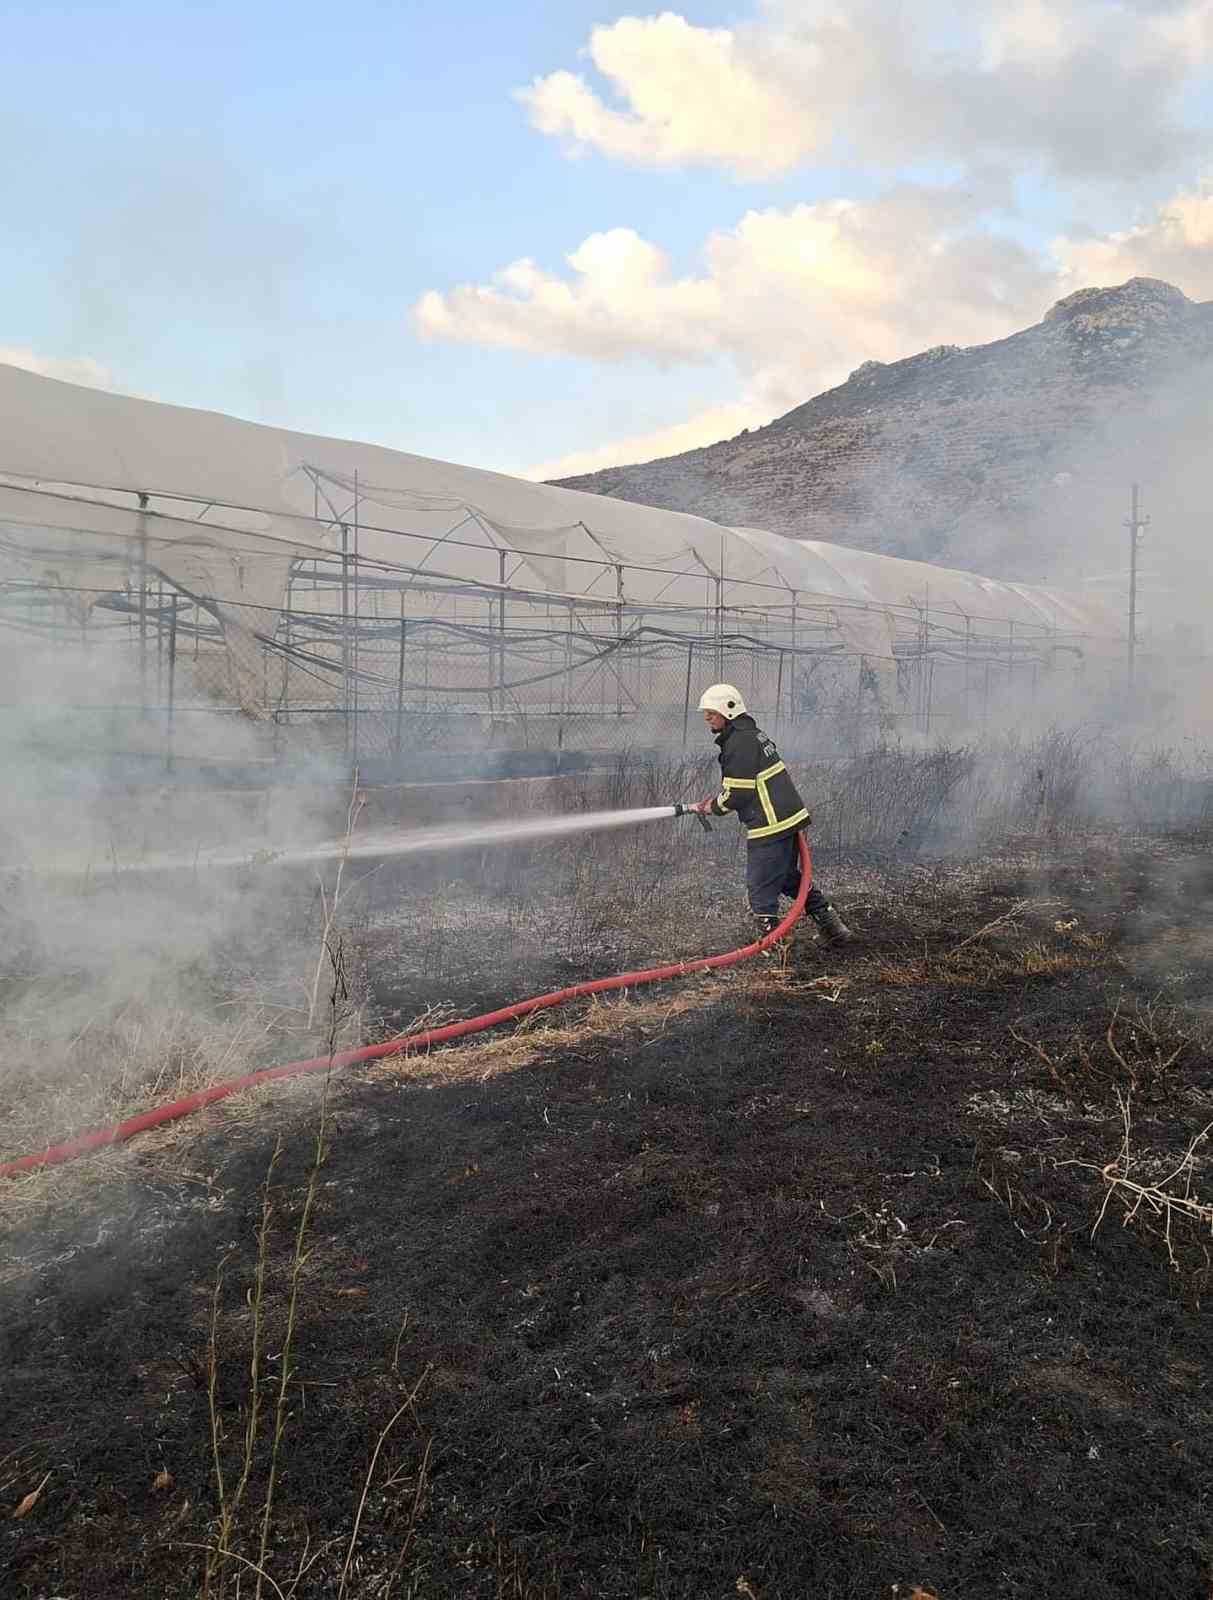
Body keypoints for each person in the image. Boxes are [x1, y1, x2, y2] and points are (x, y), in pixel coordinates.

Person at [692, 683, 854, 946]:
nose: (707, 718)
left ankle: (777, 948)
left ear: (728, 711)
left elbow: (738, 793)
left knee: (760, 891)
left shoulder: (738, 742)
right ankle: (834, 928)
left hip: (770, 824)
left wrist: (713, 807)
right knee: (787, 878)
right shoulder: (753, 735)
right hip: (786, 819)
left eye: (711, 712)